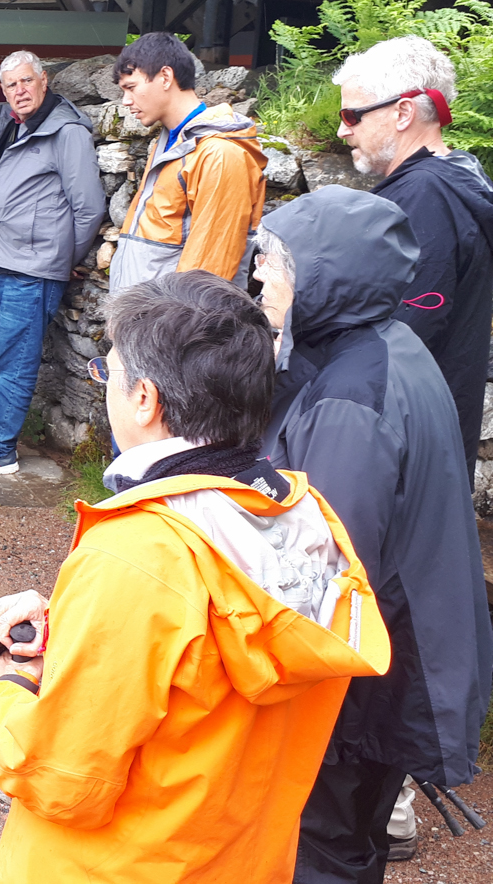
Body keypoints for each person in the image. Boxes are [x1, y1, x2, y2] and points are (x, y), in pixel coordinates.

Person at [0, 269, 388, 884]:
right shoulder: (304, 519)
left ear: (145, 398)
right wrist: (81, 627)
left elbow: (63, 780)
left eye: (106, 373)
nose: (105, 386)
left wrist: (11, 682)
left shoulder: (136, 554)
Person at [253, 186, 493, 883]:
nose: (262, 275)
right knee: (351, 836)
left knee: (321, 841)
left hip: (363, 676)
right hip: (403, 649)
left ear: (329, 275)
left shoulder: (349, 401)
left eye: (278, 262)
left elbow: (325, 568)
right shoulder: (388, 345)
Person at [333, 35, 493, 486]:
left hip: (402, 437)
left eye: (353, 115)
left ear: (403, 112)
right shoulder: (459, 177)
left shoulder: (423, 197)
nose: (343, 129)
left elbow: (403, 329)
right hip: (435, 425)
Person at [0, 50, 104, 476]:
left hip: (34, 268)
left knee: (14, 362)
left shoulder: (65, 131)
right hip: (4, 259)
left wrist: (62, 258)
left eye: (26, 81)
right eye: (11, 85)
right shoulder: (16, 126)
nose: (19, 90)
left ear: (44, 81)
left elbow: (88, 208)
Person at [109, 32, 266, 291]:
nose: (126, 101)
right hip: (146, 320)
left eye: (131, 87)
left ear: (166, 77)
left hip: (175, 325)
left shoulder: (219, 155)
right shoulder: (171, 142)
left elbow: (209, 272)